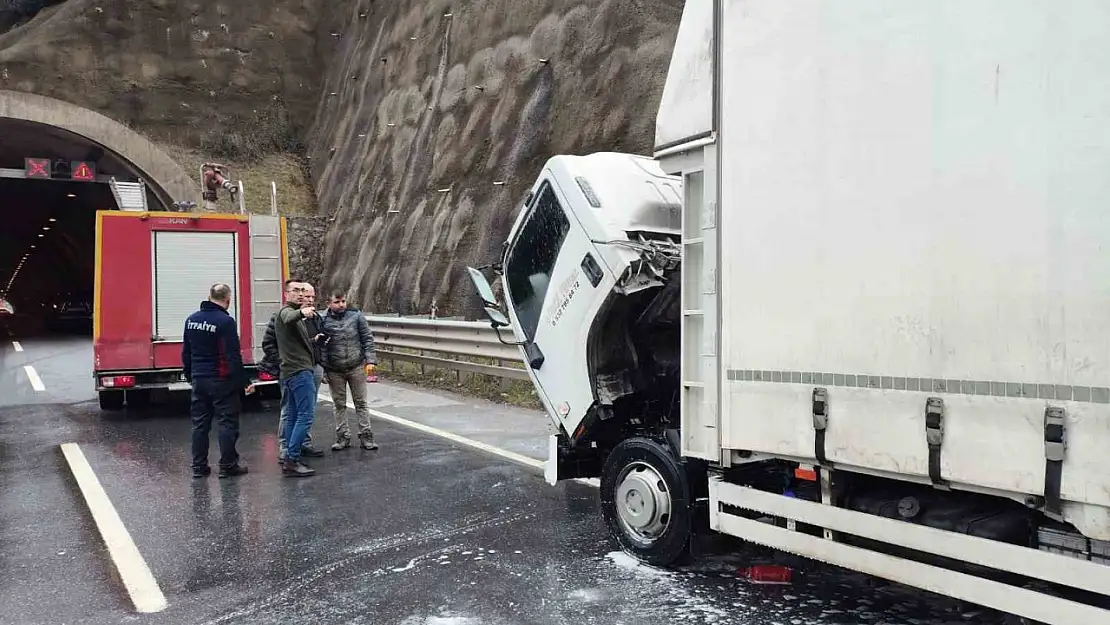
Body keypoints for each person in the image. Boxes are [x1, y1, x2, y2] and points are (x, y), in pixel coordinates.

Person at [182, 283, 251, 479]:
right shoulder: (225, 322)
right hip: (221, 380)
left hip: (199, 379)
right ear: (228, 300)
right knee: (227, 423)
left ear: (209, 296)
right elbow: (232, 356)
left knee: (199, 424)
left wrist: (190, 375)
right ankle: (228, 465)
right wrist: (243, 381)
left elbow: (186, 352)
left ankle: (198, 467)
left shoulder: (191, 320)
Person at [262, 279, 325, 464]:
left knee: (296, 413)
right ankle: (290, 455)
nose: (301, 295)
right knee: (302, 414)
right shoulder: (286, 313)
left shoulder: (305, 317)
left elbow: (297, 344)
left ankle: (293, 450)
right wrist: (282, 361)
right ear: (286, 294)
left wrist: (314, 342)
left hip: (305, 367)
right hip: (296, 370)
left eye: (303, 291)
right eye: (296, 291)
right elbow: (284, 323)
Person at [319, 291, 379, 451]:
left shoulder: (356, 316)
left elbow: (367, 338)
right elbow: (321, 346)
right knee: (339, 404)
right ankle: (342, 437)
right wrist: (323, 368)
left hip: (356, 365)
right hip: (334, 369)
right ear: (329, 303)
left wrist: (370, 360)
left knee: (361, 403)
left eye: (343, 301)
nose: (341, 305)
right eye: (337, 302)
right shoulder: (322, 320)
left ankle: (366, 436)